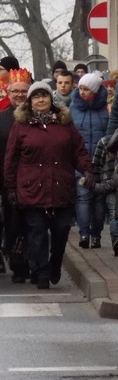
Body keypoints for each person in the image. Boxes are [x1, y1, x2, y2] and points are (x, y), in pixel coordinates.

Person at [5, 81, 93, 289]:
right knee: (37, 232)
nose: (41, 100)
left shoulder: (64, 124)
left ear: (51, 99)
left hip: (60, 186)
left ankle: (55, 263)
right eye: (36, 96)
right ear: (30, 101)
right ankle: (42, 272)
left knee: (62, 229)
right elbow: (11, 158)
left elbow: (78, 151)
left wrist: (88, 169)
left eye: (44, 96)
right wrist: (10, 187)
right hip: (31, 189)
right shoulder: (21, 126)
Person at [69, 71, 109, 248]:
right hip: (80, 161)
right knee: (83, 197)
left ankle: (97, 234)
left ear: (94, 90)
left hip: (101, 161)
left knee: (99, 199)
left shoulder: (106, 109)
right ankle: (84, 234)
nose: (81, 92)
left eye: (86, 89)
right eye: (80, 88)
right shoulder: (72, 108)